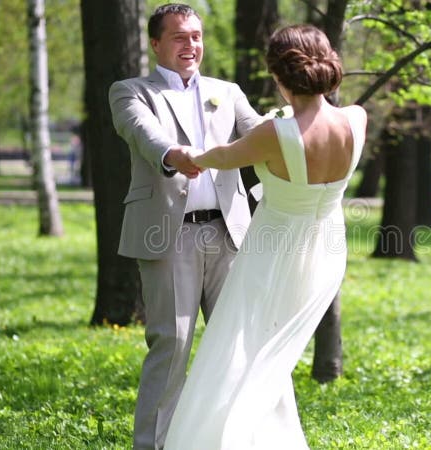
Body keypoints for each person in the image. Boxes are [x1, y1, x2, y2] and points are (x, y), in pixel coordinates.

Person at [163, 24, 367, 449]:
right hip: (324, 252)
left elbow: (222, 157)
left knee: (238, 346)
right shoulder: (356, 119)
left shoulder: (276, 134)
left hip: (273, 252)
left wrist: (189, 156)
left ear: (278, 75)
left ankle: (227, 438)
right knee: (274, 352)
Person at [108, 4, 260, 449]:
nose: (190, 45)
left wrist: (299, 126)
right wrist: (174, 155)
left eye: (196, 36)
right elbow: (144, 134)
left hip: (229, 235)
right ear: (156, 44)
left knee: (236, 345)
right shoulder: (131, 92)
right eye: (179, 36)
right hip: (169, 236)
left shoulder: (227, 91)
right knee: (172, 345)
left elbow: (260, 134)